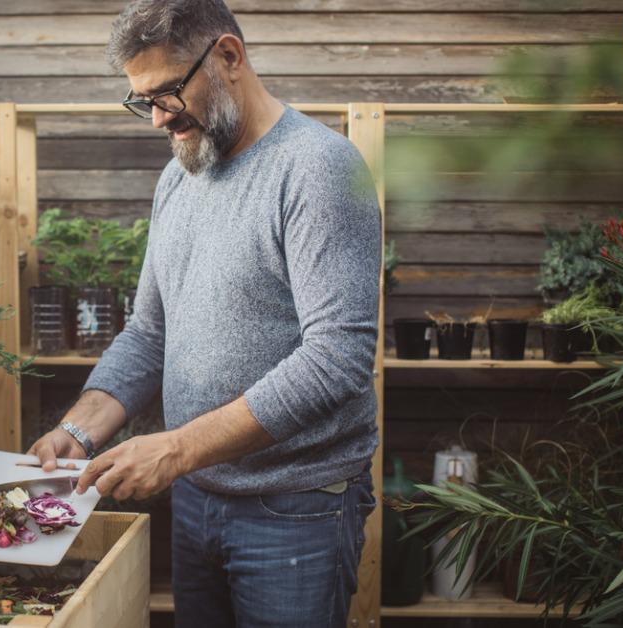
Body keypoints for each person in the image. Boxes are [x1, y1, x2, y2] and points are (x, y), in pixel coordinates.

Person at [26, 1, 380, 626]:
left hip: (295, 509)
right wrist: (77, 432)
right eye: (144, 101)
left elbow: (338, 359)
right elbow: (149, 333)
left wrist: (177, 450)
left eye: (167, 93)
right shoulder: (179, 177)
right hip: (196, 497)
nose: (159, 118)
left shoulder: (317, 168)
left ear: (229, 56)